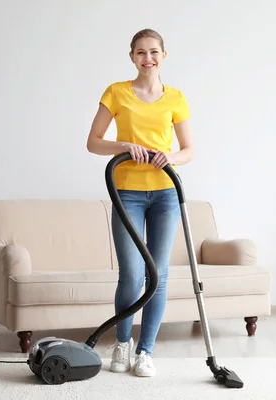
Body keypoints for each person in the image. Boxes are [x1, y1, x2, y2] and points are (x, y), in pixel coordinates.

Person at [86, 28, 193, 377]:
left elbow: (189, 150)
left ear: (164, 56)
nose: (148, 58)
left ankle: (145, 351)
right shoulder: (116, 93)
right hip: (127, 191)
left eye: (154, 52)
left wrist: (171, 156)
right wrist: (122, 146)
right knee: (131, 275)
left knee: (157, 275)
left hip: (165, 193)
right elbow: (93, 142)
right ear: (132, 57)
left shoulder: (176, 98)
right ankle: (122, 344)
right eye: (141, 52)